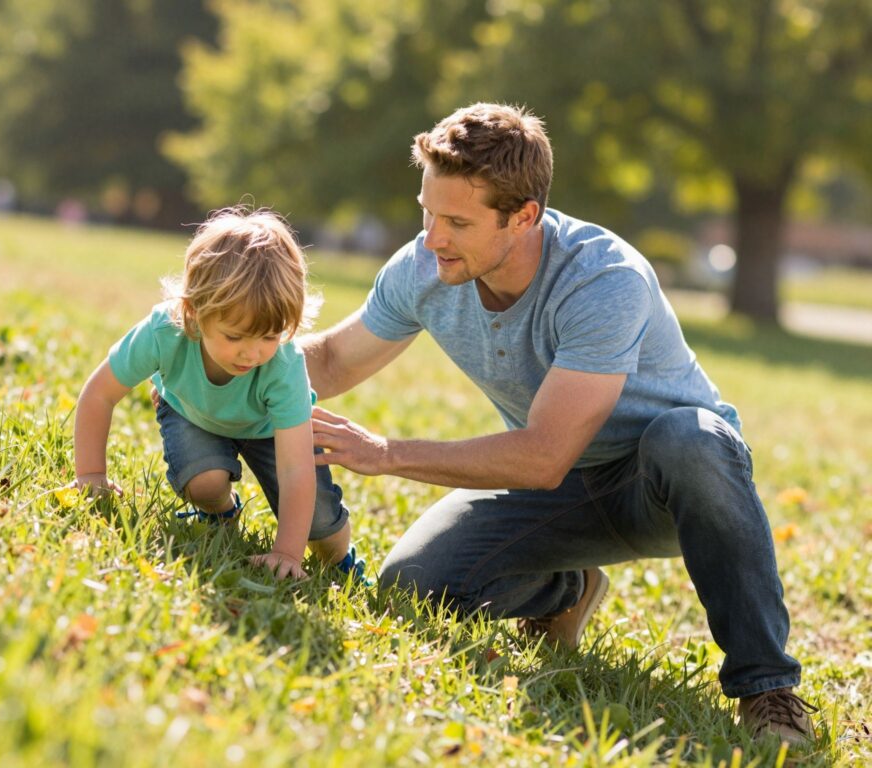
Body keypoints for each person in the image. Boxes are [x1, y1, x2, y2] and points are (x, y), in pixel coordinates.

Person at [302, 103, 816, 744]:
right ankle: (564, 589)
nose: (433, 237)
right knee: (412, 585)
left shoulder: (603, 278)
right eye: (427, 211)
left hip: (659, 484)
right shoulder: (426, 267)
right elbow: (327, 360)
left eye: (457, 221)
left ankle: (768, 690)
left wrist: (385, 453)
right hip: (557, 489)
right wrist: (215, 355)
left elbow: (543, 453)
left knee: (691, 439)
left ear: (524, 216)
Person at [72, 207, 365, 581]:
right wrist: (92, 475)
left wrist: (288, 553)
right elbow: (99, 394)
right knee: (204, 481)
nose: (252, 353)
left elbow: (295, 469)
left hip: (267, 430)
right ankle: (220, 512)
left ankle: (342, 560)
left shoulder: (283, 365)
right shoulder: (164, 331)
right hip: (191, 411)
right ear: (193, 313)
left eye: (269, 337)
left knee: (322, 529)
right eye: (234, 336)